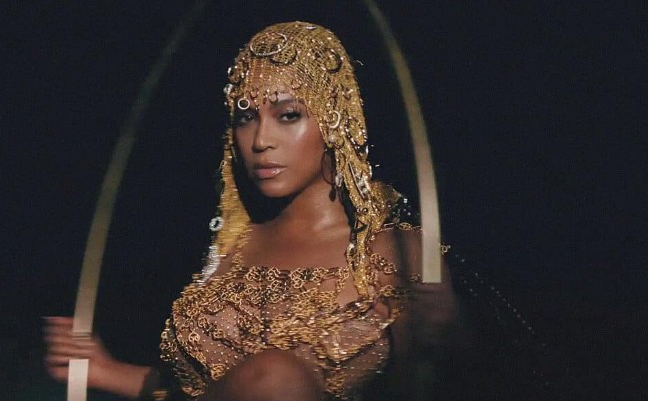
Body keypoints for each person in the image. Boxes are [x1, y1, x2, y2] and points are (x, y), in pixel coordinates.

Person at [44, 21, 457, 401]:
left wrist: (453, 342)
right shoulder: (229, 245)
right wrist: (107, 371)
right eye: (245, 118)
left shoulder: (396, 253)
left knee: (277, 377)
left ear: (333, 120)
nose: (261, 140)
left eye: (288, 116)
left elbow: (439, 383)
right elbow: (195, 389)